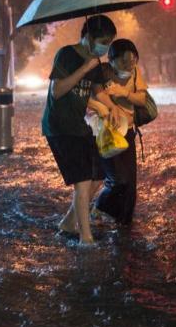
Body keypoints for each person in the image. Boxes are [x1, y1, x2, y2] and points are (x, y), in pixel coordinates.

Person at [42, 15, 125, 245]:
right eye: (104, 41)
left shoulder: (96, 63)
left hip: (79, 126)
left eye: (109, 42)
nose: (106, 47)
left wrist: (113, 108)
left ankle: (69, 222)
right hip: (59, 127)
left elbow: (98, 92)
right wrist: (84, 68)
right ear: (88, 37)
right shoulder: (66, 55)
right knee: (83, 181)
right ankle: (85, 238)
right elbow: (56, 91)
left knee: (98, 176)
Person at [91, 39, 149, 225]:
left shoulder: (135, 73)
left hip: (128, 132)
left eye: (133, 60)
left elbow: (142, 99)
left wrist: (124, 93)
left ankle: (124, 223)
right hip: (106, 133)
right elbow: (93, 98)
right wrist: (108, 99)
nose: (129, 65)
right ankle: (98, 207)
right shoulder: (102, 73)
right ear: (112, 59)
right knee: (117, 180)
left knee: (130, 186)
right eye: (124, 61)